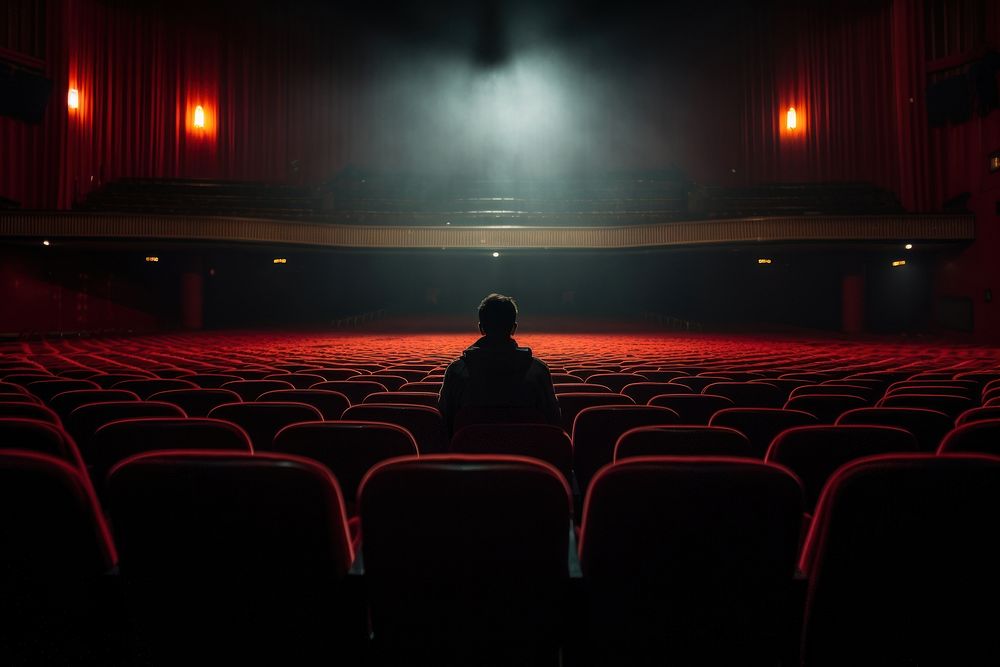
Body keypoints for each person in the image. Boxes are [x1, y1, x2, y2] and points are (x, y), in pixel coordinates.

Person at [438, 294, 560, 435]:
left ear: (481, 328)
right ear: (513, 328)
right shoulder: (538, 371)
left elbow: (444, 424)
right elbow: (553, 423)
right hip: (527, 451)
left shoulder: (457, 371)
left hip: (470, 450)